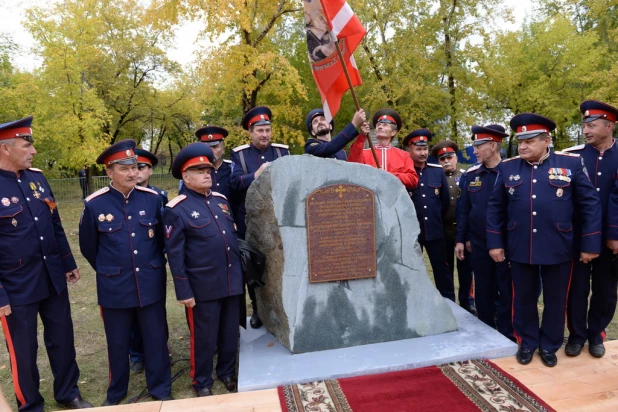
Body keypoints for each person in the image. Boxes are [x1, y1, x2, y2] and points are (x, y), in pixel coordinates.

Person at [486, 113, 601, 367]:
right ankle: (527, 342)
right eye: (520, 141)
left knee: (556, 298)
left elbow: (590, 204)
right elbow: (495, 207)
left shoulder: (570, 163)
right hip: (520, 245)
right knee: (523, 297)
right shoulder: (508, 167)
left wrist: (590, 243)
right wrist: (495, 242)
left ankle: (550, 344)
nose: (523, 146)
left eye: (530, 141)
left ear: (546, 140)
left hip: (559, 244)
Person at [0, 116, 93, 411]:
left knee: (62, 338)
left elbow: (54, 224)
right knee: (24, 351)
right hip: (16, 285)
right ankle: (30, 404)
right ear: (5, 148)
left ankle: (68, 392)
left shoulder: (37, 179)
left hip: (51, 276)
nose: (33, 151)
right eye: (27, 145)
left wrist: (67, 261)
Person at [79, 140, 172, 405]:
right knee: (117, 344)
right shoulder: (95, 205)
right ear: (109, 172)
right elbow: (89, 248)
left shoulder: (153, 200)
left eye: (134, 167)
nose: (132, 173)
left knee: (155, 339)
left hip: (150, 281)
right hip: (114, 286)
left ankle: (161, 389)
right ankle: (116, 393)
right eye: (125, 169)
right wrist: (112, 270)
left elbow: (162, 242)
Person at [163, 143, 243, 397]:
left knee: (230, 332)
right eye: (199, 170)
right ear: (185, 176)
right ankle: (202, 382)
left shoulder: (221, 201)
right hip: (202, 285)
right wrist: (183, 290)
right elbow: (175, 255)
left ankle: (227, 372)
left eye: (208, 169)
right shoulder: (176, 209)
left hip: (230, 279)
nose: (207, 173)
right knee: (205, 338)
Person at [563, 100, 618, 358]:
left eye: (592, 126)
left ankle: (596, 333)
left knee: (605, 289)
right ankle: (576, 334)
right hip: (577, 237)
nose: (585, 131)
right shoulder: (572, 156)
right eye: (584, 125)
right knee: (577, 288)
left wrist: (614, 234)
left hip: (612, 239)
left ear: (609, 126)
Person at [230, 106, 290, 328]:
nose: (264, 135)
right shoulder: (240, 155)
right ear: (250, 132)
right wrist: (254, 175)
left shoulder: (283, 152)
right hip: (251, 222)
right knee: (253, 269)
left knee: (282, 265)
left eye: (267, 130)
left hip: (279, 221)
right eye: (259, 131)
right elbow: (234, 184)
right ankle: (257, 310)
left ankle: (283, 309)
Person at [455, 125, 514, 340]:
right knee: (483, 288)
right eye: (474, 145)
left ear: (493, 145)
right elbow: (464, 210)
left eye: (479, 145)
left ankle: (508, 332)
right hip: (478, 242)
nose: (475, 150)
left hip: (507, 242)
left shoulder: (511, 171)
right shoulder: (471, 175)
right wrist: (461, 239)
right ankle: (486, 331)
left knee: (507, 289)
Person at [403, 129, 454, 301]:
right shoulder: (404, 173)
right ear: (409, 150)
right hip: (412, 234)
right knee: (411, 273)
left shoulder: (437, 171)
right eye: (418, 149)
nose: (423, 152)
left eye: (425, 148)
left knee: (443, 272)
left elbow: (444, 201)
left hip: (435, 231)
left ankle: (449, 306)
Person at [431, 140, 476, 314]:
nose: (447, 161)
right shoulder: (436, 178)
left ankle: (467, 300)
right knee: (445, 268)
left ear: (456, 158)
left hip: (463, 230)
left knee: (466, 268)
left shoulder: (467, 176)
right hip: (444, 230)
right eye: (442, 159)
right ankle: (448, 302)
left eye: (450, 157)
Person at [347, 109, 418, 189]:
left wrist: (388, 174)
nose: (380, 127)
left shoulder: (404, 155)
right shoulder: (364, 153)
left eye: (385, 125)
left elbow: (413, 180)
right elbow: (353, 168)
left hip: (395, 199)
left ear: (393, 132)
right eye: (378, 125)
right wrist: (362, 136)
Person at [180, 126, 234, 199]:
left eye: (215, 147)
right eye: (207, 148)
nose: (210, 151)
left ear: (223, 150)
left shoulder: (232, 168)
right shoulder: (193, 171)